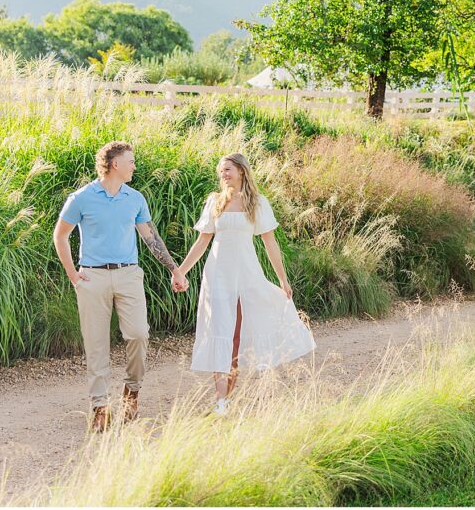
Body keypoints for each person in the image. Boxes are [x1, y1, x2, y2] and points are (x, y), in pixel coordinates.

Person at [53, 141, 188, 432]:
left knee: (139, 334)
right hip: (92, 278)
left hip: (128, 275)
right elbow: (60, 236)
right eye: (131, 161)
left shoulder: (135, 198)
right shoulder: (82, 198)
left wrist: (175, 269)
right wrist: (73, 276)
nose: (134, 166)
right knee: (96, 344)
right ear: (115, 164)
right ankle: (100, 406)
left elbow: (151, 239)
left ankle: (132, 391)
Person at [177, 152, 315, 416]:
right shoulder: (214, 202)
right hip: (218, 274)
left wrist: (283, 279)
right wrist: (181, 272)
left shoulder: (257, 203)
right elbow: (202, 241)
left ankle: (233, 394)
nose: (223, 174)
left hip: (247, 273)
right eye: (221, 171)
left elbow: (270, 242)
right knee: (221, 331)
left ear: (241, 171)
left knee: (237, 336)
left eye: (228, 169)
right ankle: (221, 402)